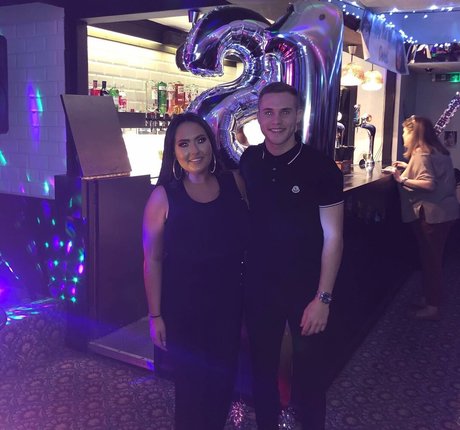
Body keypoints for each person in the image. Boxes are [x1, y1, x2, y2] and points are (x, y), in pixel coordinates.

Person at [239, 82, 344, 430]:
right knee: (261, 373)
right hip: (259, 288)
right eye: (268, 112)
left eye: (285, 112)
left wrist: (323, 299)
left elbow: (334, 237)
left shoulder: (321, 167)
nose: (276, 121)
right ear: (258, 117)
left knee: (310, 379)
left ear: (297, 115)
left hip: (306, 289)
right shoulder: (250, 160)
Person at [143, 112, 248, 430]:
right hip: (183, 309)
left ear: (211, 144)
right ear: (173, 152)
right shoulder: (163, 196)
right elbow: (152, 260)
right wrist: (155, 315)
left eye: (200, 140)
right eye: (184, 144)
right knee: (190, 390)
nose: (194, 151)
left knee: (222, 383)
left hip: (229, 305)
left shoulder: (234, 182)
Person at [392, 115, 459, 320]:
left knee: (431, 260)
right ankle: (431, 297)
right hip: (446, 212)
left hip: (432, 215)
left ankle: (432, 307)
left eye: (405, 131)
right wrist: (407, 167)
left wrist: (402, 179)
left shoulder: (421, 153)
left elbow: (429, 184)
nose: (403, 135)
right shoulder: (437, 151)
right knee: (434, 259)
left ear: (414, 133)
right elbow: (432, 174)